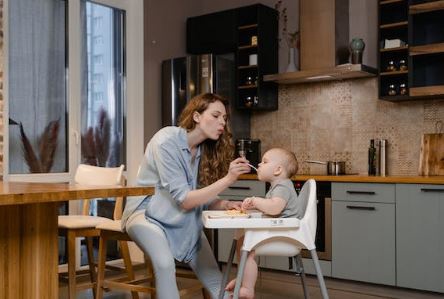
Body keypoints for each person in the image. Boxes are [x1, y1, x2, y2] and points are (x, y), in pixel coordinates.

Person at [121, 93, 251, 299]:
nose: (222, 123)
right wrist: (228, 179)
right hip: (145, 214)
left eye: (224, 119)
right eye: (216, 115)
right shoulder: (165, 141)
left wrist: (225, 204)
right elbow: (186, 199)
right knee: (164, 264)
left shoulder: (201, 151)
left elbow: (199, 196)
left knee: (214, 279)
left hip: (182, 218)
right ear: (197, 117)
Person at [225, 147, 306, 299]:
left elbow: (275, 208)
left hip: (285, 235)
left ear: (277, 170)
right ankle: (244, 278)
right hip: (281, 231)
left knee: (246, 249)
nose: (259, 164)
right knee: (241, 241)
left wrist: (256, 200)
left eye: (264, 161)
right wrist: (256, 205)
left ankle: (248, 288)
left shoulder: (282, 186)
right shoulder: (278, 186)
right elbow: (272, 208)